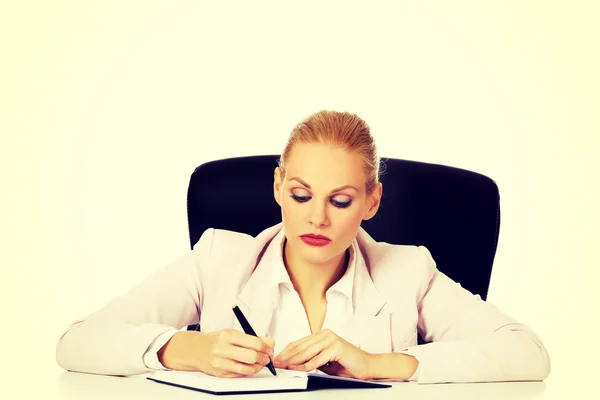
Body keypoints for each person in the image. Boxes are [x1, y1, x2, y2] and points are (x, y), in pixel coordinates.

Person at [56, 110, 551, 383]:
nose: (316, 217)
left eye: (340, 200)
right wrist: (187, 347)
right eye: (300, 195)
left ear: (372, 202)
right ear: (277, 188)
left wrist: (377, 364)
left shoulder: (408, 271)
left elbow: (528, 354)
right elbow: (76, 341)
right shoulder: (217, 260)